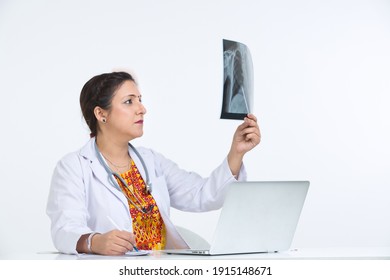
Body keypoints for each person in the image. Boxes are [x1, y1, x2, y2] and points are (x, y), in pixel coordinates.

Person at [46, 71, 261, 255]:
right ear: (101, 113)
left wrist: (236, 152)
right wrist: (94, 242)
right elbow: (65, 228)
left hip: (160, 270)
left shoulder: (151, 161)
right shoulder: (74, 166)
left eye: (139, 99)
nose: (142, 108)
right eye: (129, 101)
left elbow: (202, 195)